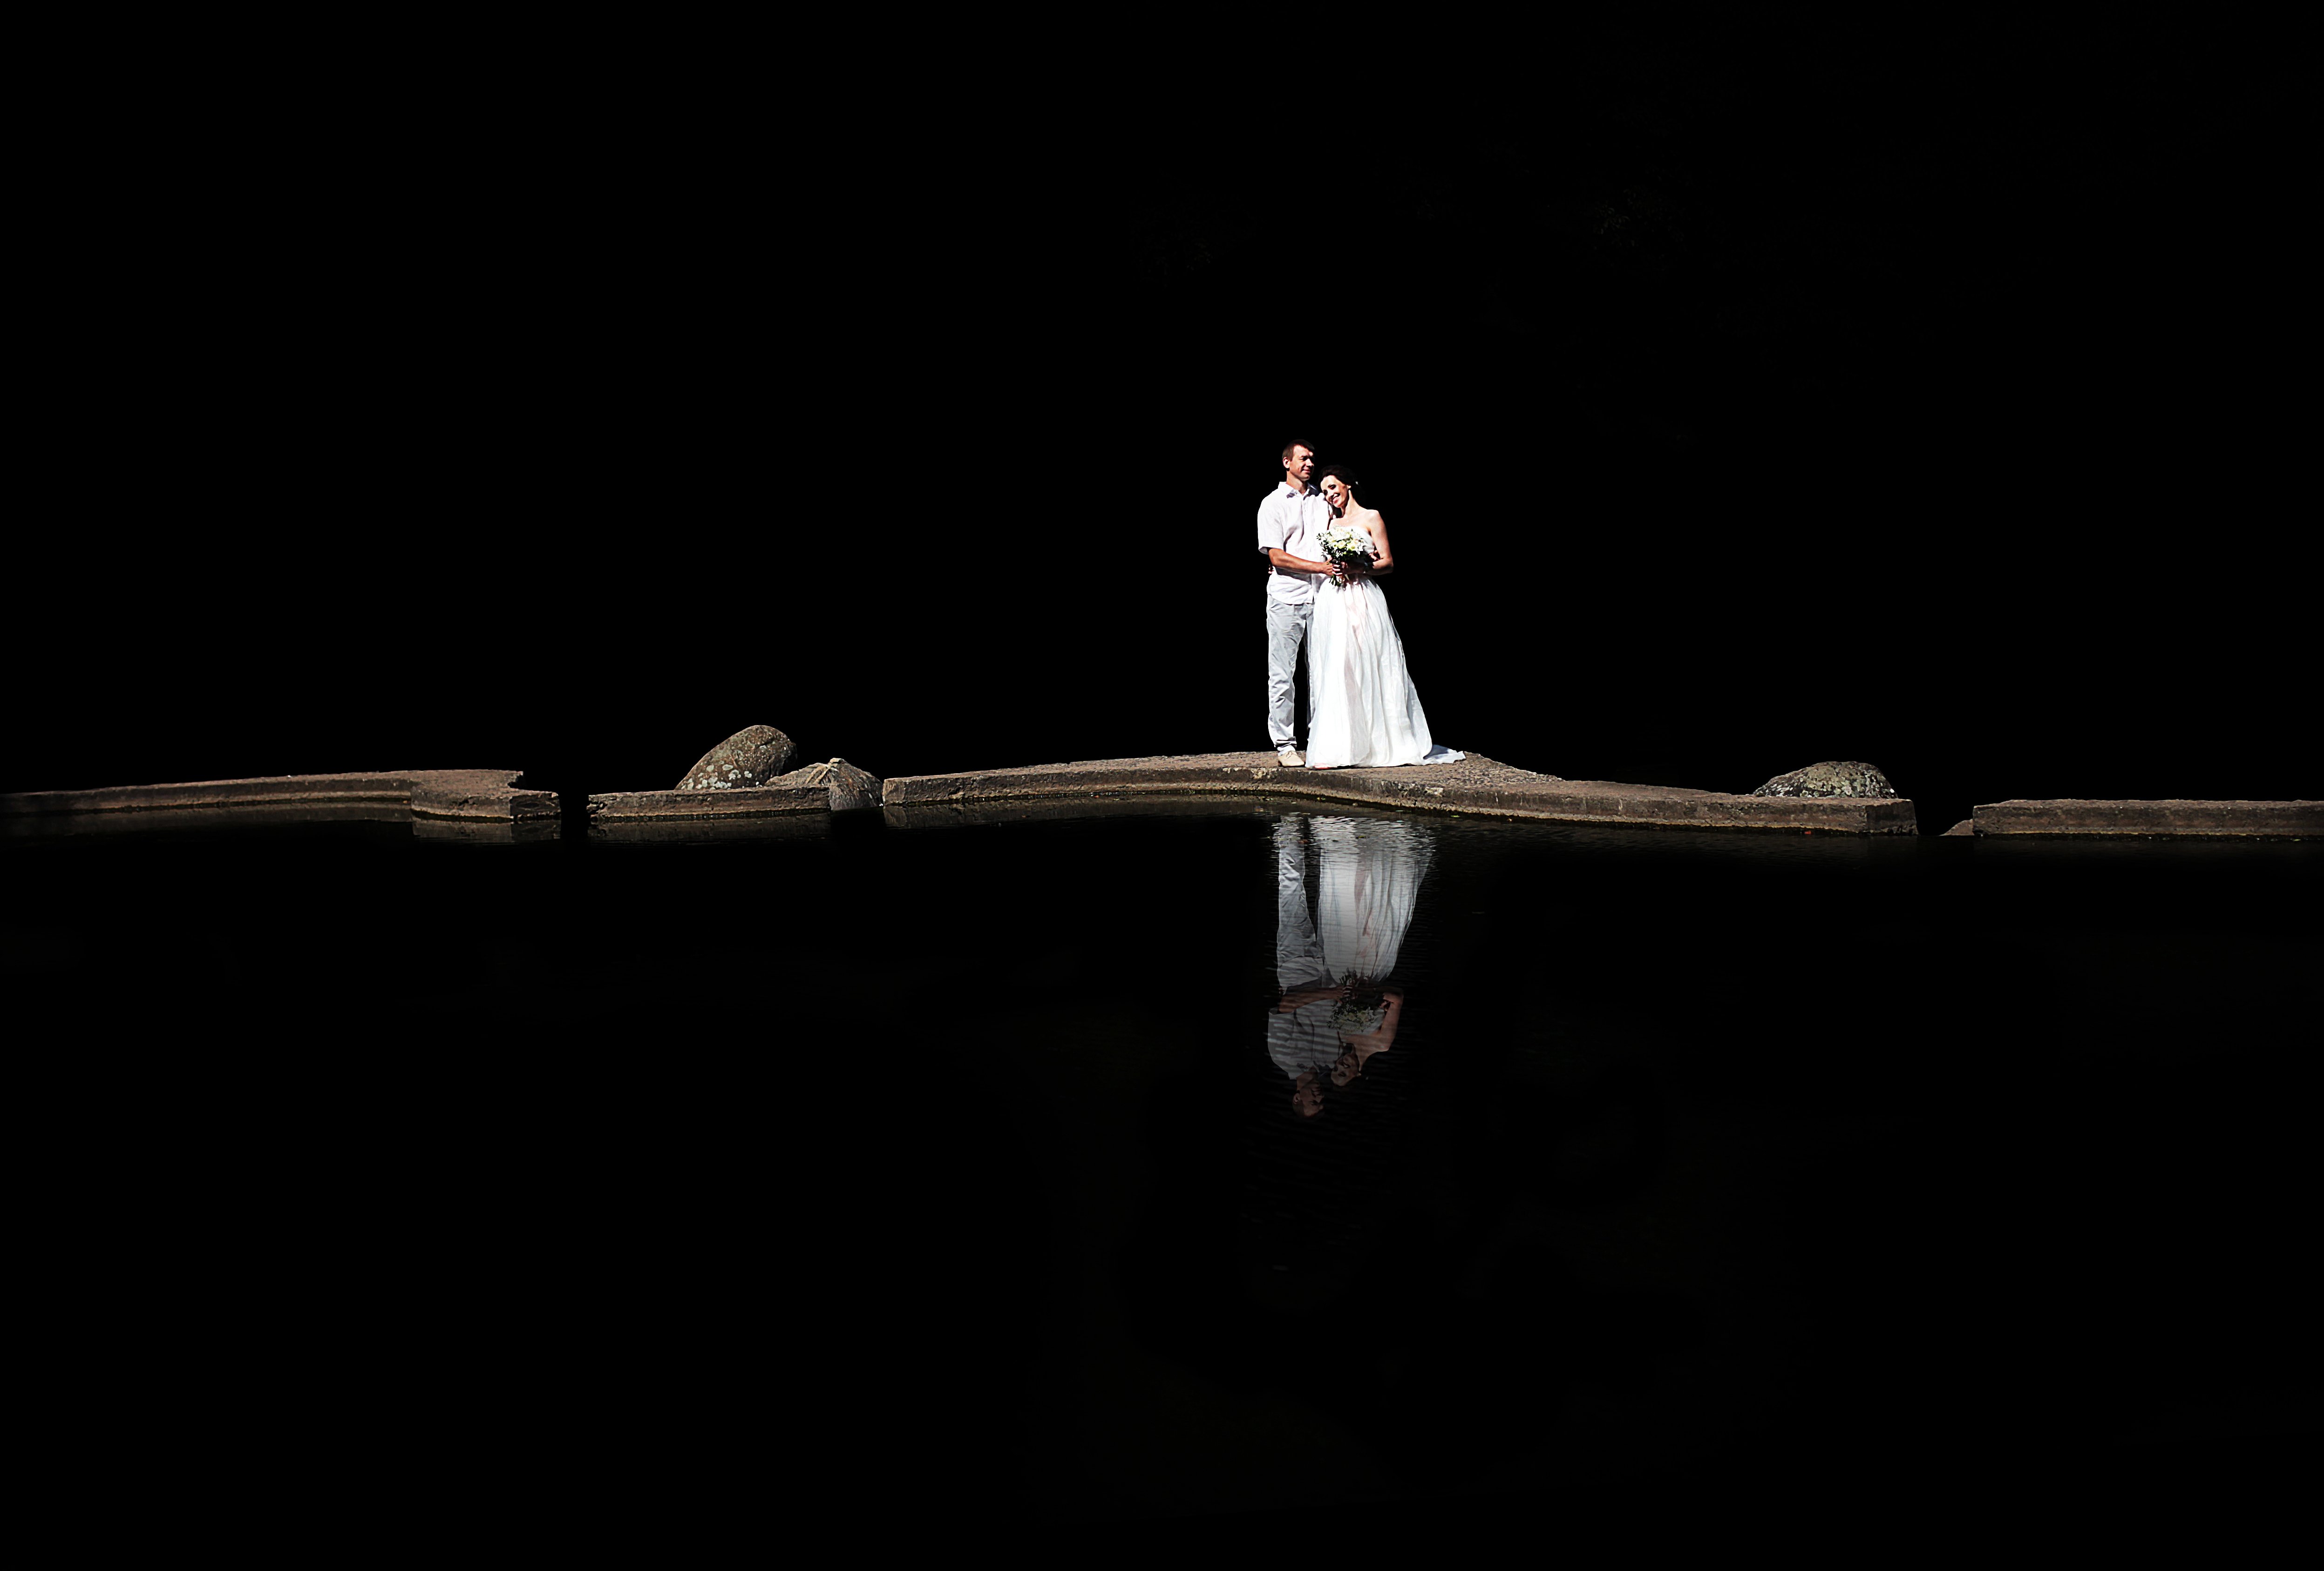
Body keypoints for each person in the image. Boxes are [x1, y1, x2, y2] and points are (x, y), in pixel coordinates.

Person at [1304, 462, 1464, 769]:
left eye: (1333, 487)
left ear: (1348, 485)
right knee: (1339, 666)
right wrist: (1336, 566)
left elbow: (1388, 562)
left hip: (1363, 596)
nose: (1329, 495)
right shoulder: (1331, 524)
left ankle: (1378, 744)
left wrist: (1360, 566)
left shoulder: (1371, 517)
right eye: (1324, 491)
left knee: (1370, 661)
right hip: (1335, 599)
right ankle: (1341, 746)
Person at [1255, 441, 1337, 766]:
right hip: (1286, 597)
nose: (1310, 464)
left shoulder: (1322, 499)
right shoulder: (1272, 503)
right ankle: (1285, 745)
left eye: (1312, 459)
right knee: (1282, 675)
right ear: (1287, 462)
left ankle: (1319, 741)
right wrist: (1319, 567)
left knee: (1322, 673)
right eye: (1303, 458)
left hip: (1322, 596)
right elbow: (1276, 556)